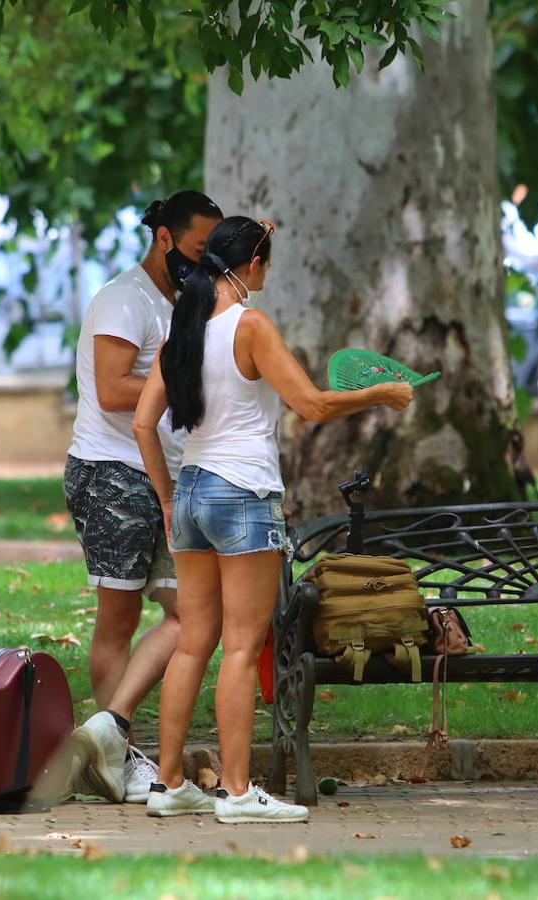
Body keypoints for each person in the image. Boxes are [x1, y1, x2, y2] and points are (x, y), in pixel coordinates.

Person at [132, 216, 413, 823]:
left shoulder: (183, 328)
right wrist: (379, 393)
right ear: (252, 266)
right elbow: (310, 404)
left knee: (191, 646)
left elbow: (141, 423)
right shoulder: (250, 326)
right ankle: (236, 792)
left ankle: (169, 784)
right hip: (242, 493)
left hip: (192, 493)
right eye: (268, 263)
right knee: (239, 647)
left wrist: (165, 496)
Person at [61, 190, 223, 804]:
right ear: (165, 239)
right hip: (111, 473)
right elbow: (109, 389)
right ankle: (118, 761)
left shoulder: (183, 300)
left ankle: (112, 734)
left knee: (190, 614)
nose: (205, 263)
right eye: (199, 249)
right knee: (118, 621)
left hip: (163, 475)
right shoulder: (125, 300)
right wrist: (185, 381)